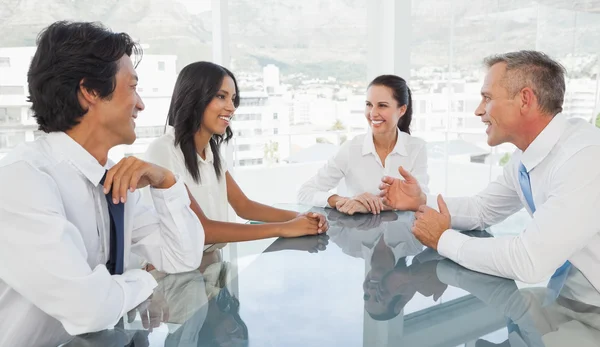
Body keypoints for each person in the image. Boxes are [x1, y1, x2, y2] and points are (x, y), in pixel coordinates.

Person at [0, 21, 205, 347]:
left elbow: (182, 257)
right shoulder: (21, 180)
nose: (141, 104)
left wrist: (165, 181)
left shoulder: (111, 177)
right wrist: (141, 279)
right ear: (90, 91)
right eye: (132, 87)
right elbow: (88, 309)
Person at [380, 50, 600, 290]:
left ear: (525, 100)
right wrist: (420, 200)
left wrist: (443, 239)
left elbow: (529, 260)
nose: (478, 110)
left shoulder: (584, 158)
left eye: (487, 98)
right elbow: (481, 210)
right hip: (577, 293)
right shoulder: (525, 157)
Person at [144, 61, 328, 248]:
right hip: (174, 274)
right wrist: (283, 228)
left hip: (210, 263)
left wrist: (300, 217)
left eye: (233, 99)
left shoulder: (210, 152)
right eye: (221, 96)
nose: (231, 107)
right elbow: (200, 230)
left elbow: (244, 206)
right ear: (194, 96)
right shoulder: (163, 150)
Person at [297, 74, 429, 215]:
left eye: (382, 106)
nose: (372, 113)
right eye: (369, 104)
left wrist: (369, 206)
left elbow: (422, 200)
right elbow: (305, 193)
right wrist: (345, 201)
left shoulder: (417, 147)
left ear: (402, 110)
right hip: (357, 234)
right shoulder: (350, 149)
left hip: (403, 234)